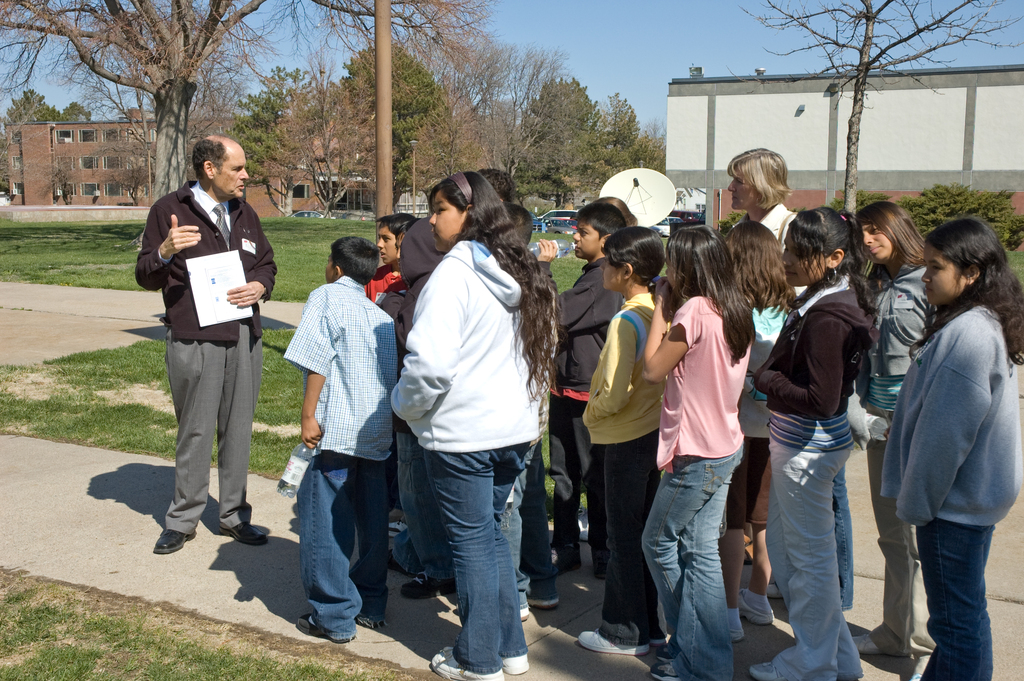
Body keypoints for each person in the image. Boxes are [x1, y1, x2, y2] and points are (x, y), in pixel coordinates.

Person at [392, 171, 559, 681]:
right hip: (512, 432)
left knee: (472, 545)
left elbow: (430, 365)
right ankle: (509, 649)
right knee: (485, 539)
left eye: (439, 209)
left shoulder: (454, 274)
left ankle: (478, 657)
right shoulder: (523, 269)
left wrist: (406, 405)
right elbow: (544, 349)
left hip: (465, 437)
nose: (430, 220)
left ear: (469, 214)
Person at [882, 217, 1024, 681]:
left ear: (972, 273)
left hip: (951, 508)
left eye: (935, 267)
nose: (924, 276)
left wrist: (918, 505)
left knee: (957, 623)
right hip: (961, 503)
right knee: (960, 617)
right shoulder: (973, 323)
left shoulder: (970, 335)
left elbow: (945, 437)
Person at [749, 207, 877, 681]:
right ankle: (837, 658)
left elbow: (821, 400)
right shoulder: (833, 297)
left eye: (796, 253)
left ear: (834, 257)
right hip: (808, 446)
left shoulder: (829, 315)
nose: (784, 259)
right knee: (807, 557)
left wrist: (765, 378)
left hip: (808, 447)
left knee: (807, 564)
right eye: (786, 248)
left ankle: (812, 662)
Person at [136, 135, 276, 555]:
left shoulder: (246, 212)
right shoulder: (169, 210)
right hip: (195, 339)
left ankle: (234, 516)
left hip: (243, 337)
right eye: (238, 168)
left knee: (238, 431)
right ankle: (183, 520)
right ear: (210, 169)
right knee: (195, 430)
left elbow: (266, 262)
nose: (246, 176)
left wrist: (259, 287)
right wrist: (162, 251)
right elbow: (145, 274)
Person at [640, 226, 754, 681]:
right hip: (725, 444)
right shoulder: (734, 305)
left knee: (658, 542)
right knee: (700, 551)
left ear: (686, 266)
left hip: (697, 455)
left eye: (672, 262)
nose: (667, 270)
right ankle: (709, 658)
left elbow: (651, 369)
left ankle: (691, 651)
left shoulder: (692, 311)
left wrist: (660, 310)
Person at [284, 236, 396, 643]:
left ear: (335, 266)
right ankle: (372, 601)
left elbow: (317, 358)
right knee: (371, 517)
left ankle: (333, 615)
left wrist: (308, 414)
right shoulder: (378, 312)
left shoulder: (326, 297)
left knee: (325, 521)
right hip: (376, 431)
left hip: (336, 430)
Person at [851, 201, 934, 677]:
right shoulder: (876, 283)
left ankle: (925, 646)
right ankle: (894, 632)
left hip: (919, 422)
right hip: (879, 420)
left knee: (920, 537)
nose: (867, 240)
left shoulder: (929, 280)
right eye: (862, 233)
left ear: (897, 228)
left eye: (875, 230)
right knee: (891, 535)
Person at [576, 227, 667, 657]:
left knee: (623, 538)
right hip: (652, 435)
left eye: (609, 261)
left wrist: (591, 414)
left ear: (626, 270)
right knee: (644, 536)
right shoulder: (658, 311)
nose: (603, 267)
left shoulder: (626, 319)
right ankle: (649, 627)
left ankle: (622, 632)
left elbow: (612, 390)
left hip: (625, 437)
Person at [538, 201, 625, 578]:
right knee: (564, 471)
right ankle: (568, 544)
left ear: (605, 241)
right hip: (567, 388)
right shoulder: (595, 274)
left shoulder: (601, 281)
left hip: (584, 393)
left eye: (582, 232)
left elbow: (554, 312)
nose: (574, 236)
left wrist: (543, 269)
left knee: (589, 475)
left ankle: (599, 548)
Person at [720, 221, 794, 643]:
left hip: (736, 428)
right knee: (761, 520)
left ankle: (729, 611)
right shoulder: (788, 305)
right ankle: (758, 597)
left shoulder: (734, 307)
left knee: (732, 522)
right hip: (775, 427)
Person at [386, 217, 456, 600]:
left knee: (417, 494)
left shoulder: (426, 291)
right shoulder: (437, 284)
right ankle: (413, 553)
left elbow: (422, 359)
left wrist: (404, 406)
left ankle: (438, 569)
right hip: (433, 413)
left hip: (416, 413)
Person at [503, 200, 560, 621]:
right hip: (535, 413)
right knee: (531, 500)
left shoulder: (507, 285)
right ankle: (541, 582)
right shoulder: (543, 281)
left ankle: (516, 591)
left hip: (510, 417)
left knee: (510, 504)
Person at [726, 149, 795, 243]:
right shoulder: (735, 231)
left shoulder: (791, 230)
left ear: (762, 187)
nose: (730, 187)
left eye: (739, 181)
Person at [365, 213, 415, 304]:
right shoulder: (373, 278)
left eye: (386, 239)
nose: (379, 244)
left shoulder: (417, 280)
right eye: (379, 238)